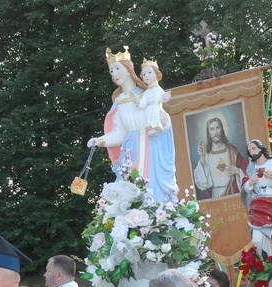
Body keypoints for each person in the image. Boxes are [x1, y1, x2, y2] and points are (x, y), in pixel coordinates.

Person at [87, 47, 178, 203]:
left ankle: (157, 217)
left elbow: (160, 118)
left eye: (117, 68)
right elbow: (119, 134)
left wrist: (165, 121)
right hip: (131, 151)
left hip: (152, 147)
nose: (115, 74)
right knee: (129, 193)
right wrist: (100, 140)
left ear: (129, 69)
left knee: (153, 190)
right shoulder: (119, 102)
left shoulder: (147, 94)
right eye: (111, 71)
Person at [193, 117, 247, 200]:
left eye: (218, 128)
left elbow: (247, 172)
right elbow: (202, 183)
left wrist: (238, 171)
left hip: (233, 193)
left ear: (222, 130)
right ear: (209, 133)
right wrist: (202, 156)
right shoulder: (206, 155)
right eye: (212, 129)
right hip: (216, 196)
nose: (216, 132)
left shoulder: (233, 152)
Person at [135, 59, 170, 134]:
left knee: (156, 116)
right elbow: (143, 104)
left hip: (156, 107)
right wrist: (137, 101)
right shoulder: (146, 92)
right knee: (149, 118)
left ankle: (157, 128)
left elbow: (162, 98)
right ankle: (151, 129)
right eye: (144, 74)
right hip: (149, 109)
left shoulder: (158, 89)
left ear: (156, 74)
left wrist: (165, 97)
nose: (146, 75)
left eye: (149, 72)